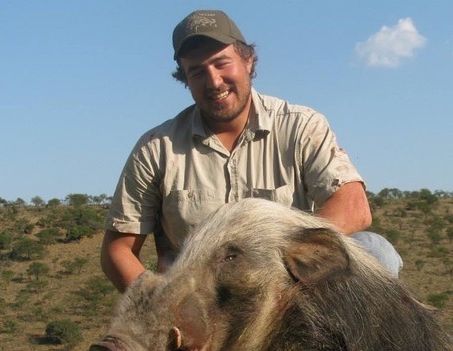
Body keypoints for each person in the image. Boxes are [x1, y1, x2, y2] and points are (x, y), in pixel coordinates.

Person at [101, 9, 402, 293]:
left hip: (286, 289)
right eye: (197, 72)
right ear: (185, 79)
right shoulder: (156, 147)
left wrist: (284, 262)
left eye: (221, 63)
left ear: (248, 60)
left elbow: (353, 207)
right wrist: (159, 307)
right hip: (200, 303)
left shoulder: (301, 125)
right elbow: (117, 249)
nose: (214, 81)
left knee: (376, 251)